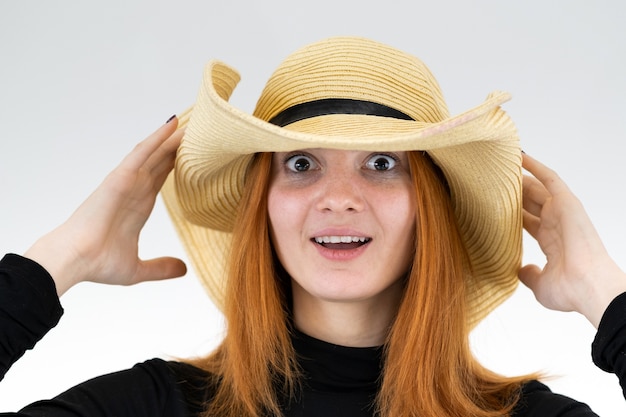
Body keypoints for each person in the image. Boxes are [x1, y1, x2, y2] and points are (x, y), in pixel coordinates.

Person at [1, 36, 625, 417]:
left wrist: (607, 297)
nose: (339, 198)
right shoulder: (152, 407)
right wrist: (56, 263)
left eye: (382, 164)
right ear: (263, 204)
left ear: (427, 207)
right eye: (301, 164)